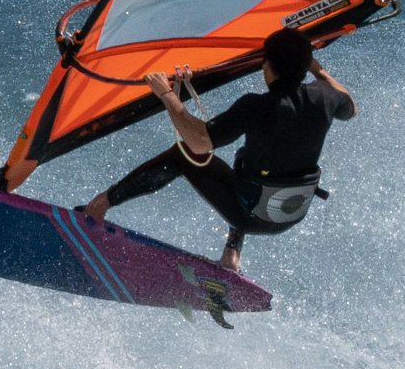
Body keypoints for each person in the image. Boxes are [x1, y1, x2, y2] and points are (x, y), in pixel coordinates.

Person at [82, 26, 356, 271]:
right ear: (305, 64)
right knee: (249, 163)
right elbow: (350, 109)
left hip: (249, 215)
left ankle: (100, 205)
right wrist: (317, 70)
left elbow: (199, 142)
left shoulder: (255, 106)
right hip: (290, 214)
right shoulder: (326, 97)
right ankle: (231, 256)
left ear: (267, 66)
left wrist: (166, 94)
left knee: (185, 156)